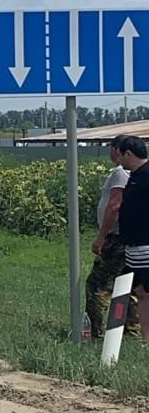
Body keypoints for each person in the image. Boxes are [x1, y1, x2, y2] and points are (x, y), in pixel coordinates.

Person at [87, 136, 139, 339]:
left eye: (110, 148)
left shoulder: (120, 173)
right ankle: (131, 332)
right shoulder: (134, 173)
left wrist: (101, 237)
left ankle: (94, 331)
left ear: (117, 150)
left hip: (115, 238)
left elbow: (115, 206)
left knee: (97, 286)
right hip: (129, 239)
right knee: (131, 286)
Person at [114, 135, 149, 341]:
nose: (119, 160)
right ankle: (144, 337)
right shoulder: (135, 175)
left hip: (145, 247)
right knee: (139, 292)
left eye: (120, 155)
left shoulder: (146, 175)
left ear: (129, 153)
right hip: (133, 249)